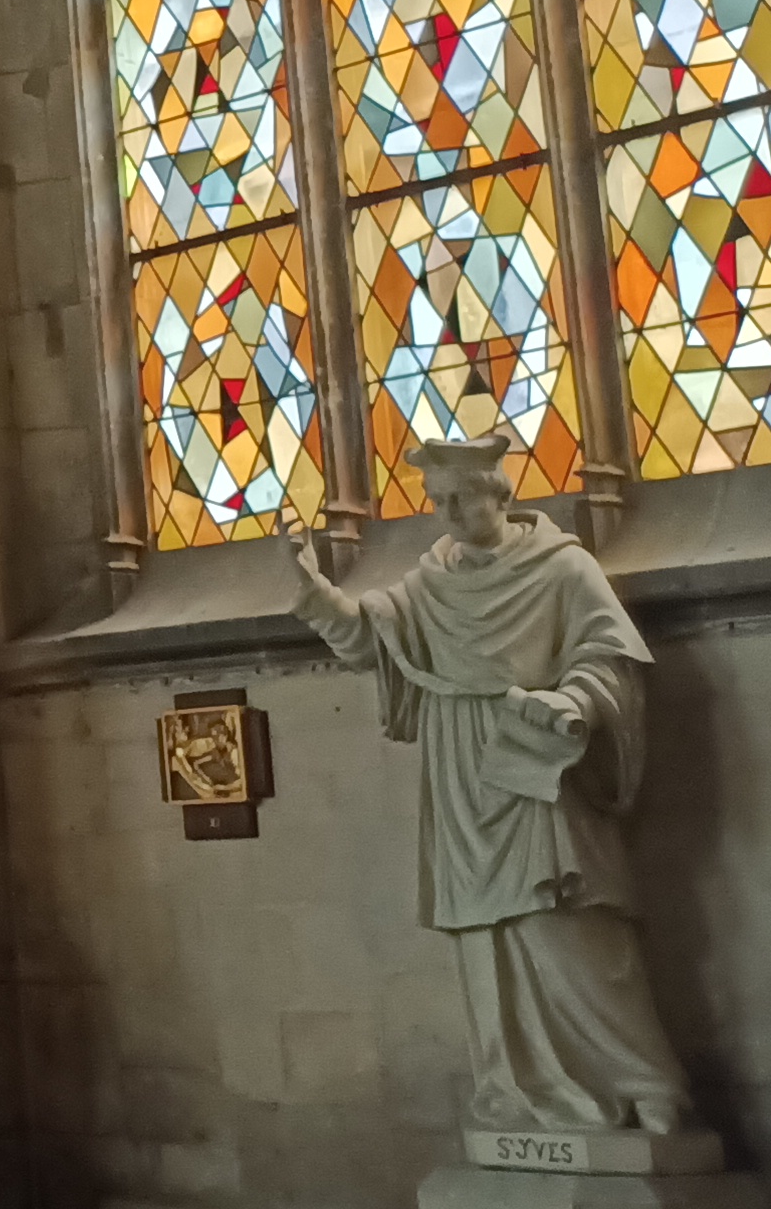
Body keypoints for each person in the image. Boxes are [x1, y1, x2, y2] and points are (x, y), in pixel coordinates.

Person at [281, 437, 693, 1135]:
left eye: (462, 499)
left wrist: (573, 701)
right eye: (438, 502)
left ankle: (641, 1081)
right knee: (486, 941)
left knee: (569, 922)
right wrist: (315, 591)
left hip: (534, 759)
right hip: (460, 776)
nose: (449, 514)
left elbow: (609, 654)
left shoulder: (561, 568)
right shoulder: (431, 583)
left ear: (499, 496)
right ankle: (517, 1092)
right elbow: (370, 642)